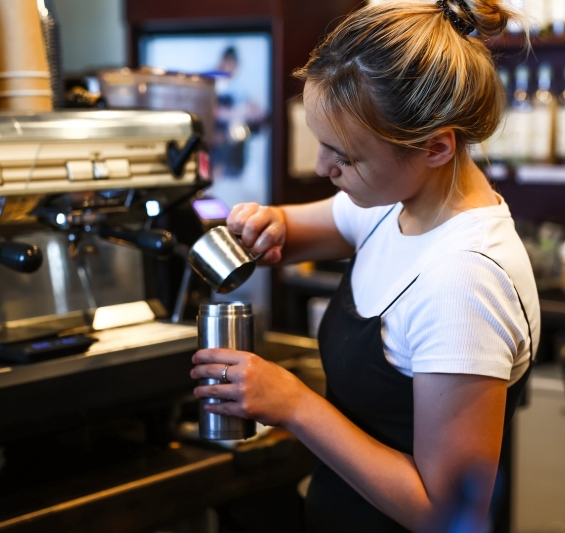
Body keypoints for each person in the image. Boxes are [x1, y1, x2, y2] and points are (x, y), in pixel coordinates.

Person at [190, 1, 539, 531]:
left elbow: (445, 514)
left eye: (344, 156)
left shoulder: (463, 283)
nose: (320, 167)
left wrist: (295, 405)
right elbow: (296, 227)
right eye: (320, 143)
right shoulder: (396, 204)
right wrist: (269, 224)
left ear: (436, 148)